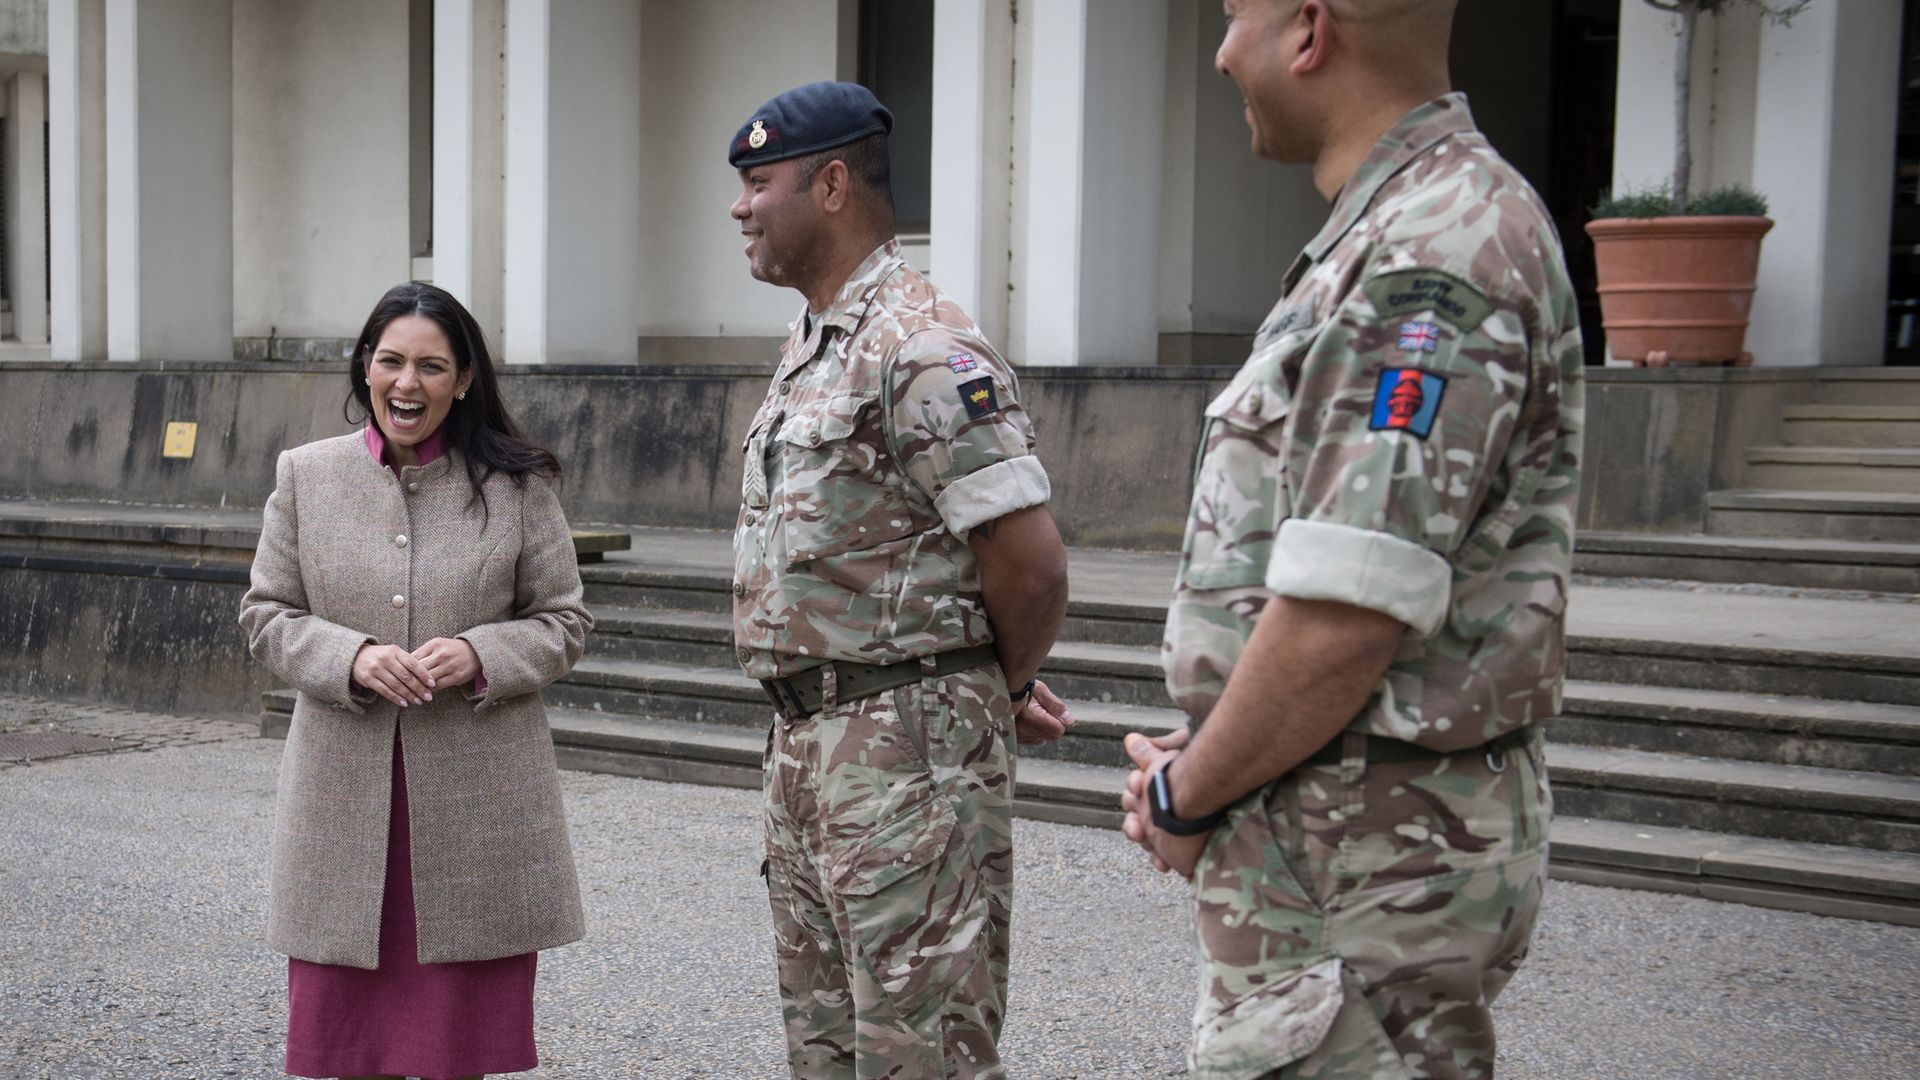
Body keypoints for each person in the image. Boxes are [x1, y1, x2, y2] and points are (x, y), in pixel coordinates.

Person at [1119, 2, 1584, 1078]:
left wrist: (1189, 796)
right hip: (1337, 834)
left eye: (1236, 16)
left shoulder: (1431, 253)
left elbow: (1345, 617)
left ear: (1310, 32)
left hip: (1364, 872)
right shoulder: (1398, 230)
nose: (1225, 50)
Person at [727, 81, 1073, 1079]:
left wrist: (991, 688)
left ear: (831, 184)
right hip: (810, 741)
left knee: (923, 1055)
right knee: (828, 1051)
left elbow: (1032, 565)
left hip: (905, 752)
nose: (740, 206)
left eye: (759, 182)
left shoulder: (920, 348)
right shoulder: (814, 341)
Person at [239, 282, 592, 1080]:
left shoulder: (519, 485)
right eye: (391, 361)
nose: (408, 383)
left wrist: (482, 655)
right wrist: (351, 658)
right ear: (365, 366)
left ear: (464, 379)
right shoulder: (306, 476)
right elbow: (266, 615)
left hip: (477, 807)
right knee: (345, 1044)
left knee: (454, 1048)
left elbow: (564, 621)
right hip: (341, 807)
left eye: (432, 366)